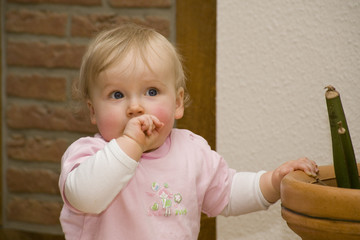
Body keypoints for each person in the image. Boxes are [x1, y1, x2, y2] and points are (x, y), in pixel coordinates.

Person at [59, 23, 318, 239]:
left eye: (151, 92)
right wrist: (129, 143)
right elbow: (85, 197)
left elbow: (227, 193)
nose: (135, 107)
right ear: (93, 111)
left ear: (178, 103)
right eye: (117, 94)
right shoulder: (89, 155)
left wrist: (273, 181)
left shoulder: (191, 151)